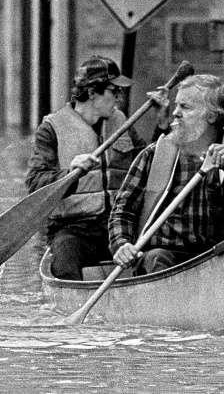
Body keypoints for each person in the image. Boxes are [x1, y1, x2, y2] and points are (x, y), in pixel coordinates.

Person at [108, 73, 224, 276]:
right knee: (156, 258)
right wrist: (122, 244)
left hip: (220, 259)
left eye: (185, 107)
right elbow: (122, 211)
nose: (175, 113)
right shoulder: (152, 155)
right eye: (177, 105)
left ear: (212, 116)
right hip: (164, 260)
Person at [25, 55, 170, 280]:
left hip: (121, 227)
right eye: (114, 91)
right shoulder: (51, 129)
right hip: (74, 230)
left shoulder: (120, 121)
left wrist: (162, 124)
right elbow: (35, 184)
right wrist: (69, 173)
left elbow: (152, 164)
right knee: (64, 268)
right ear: (93, 92)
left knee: (157, 257)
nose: (119, 99)